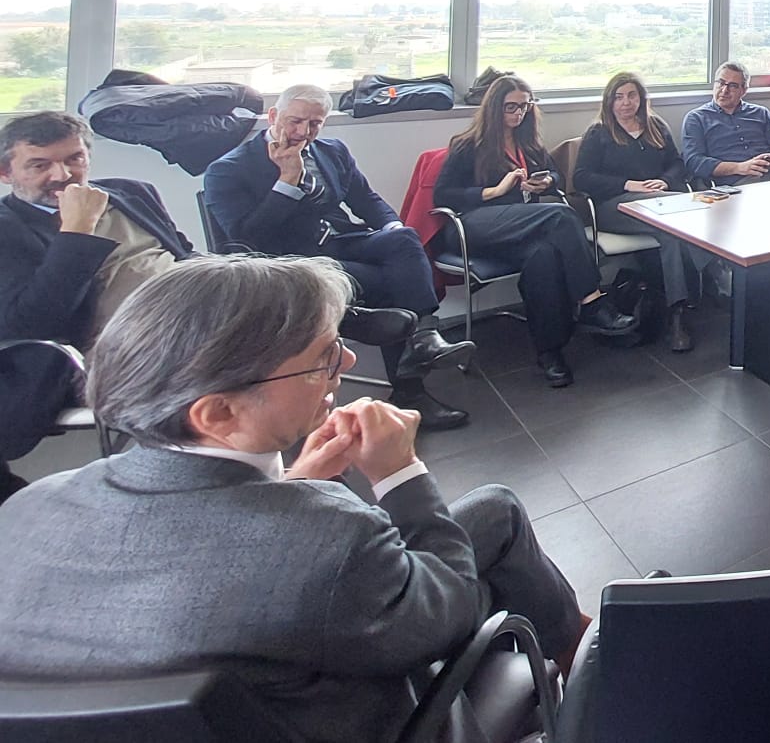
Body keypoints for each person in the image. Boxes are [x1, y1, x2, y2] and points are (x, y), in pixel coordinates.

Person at [0, 254, 583, 743]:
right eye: (322, 358)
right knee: (497, 510)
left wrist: (291, 489)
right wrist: (400, 473)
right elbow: (447, 610)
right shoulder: (329, 538)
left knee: (493, 514)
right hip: (381, 717)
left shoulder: (27, 511)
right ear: (218, 412)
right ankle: (586, 661)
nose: (346, 363)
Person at [0, 111, 429, 464]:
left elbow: (184, 254)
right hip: (126, 341)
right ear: (6, 173)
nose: (62, 175)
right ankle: (332, 338)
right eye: (39, 165)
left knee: (283, 276)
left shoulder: (129, 193)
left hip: (191, 302)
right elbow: (32, 322)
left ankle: (323, 342)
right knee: (269, 354)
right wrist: (76, 233)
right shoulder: (8, 227)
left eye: (74, 159)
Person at [204, 85, 473, 429]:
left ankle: (423, 335)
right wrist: (287, 181)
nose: (304, 132)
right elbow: (248, 238)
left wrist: (391, 226)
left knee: (404, 237)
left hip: (340, 241)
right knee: (393, 286)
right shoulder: (228, 169)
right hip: (291, 262)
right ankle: (411, 386)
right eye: (295, 121)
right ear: (273, 116)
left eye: (315, 123)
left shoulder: (332, 151)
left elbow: (366, 199)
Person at [435, 77, 633, 390]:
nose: (519, 113)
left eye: (525, 106)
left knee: (545, 257)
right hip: (474, 225)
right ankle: (592, 301)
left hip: (519, 227)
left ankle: (550, 353)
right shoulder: (468, 144)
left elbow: (555, 174)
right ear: (494, 107)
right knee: (560, 215)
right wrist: (494, 191)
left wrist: (547, 182)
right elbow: (444, 195)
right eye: (511, 107)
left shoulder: (528, 143)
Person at [572, 71, 697, 354]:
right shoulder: (599, 132)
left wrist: (664, 181)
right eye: (618, 97)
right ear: (609, 101)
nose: (626, 103)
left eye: (631, 96)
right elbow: (581, 178)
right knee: (678, 217)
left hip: (658, 204)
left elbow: (677, 164)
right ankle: (701, 284)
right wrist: (628, 185)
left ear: (641, 99)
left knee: (672, 234)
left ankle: (677, 313)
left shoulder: (655, 126)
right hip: (614, 207)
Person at [680, 63, 770, 187]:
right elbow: (694, 162)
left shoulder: (761, 113)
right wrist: (739, 167)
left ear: (744, 90)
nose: (724, 90)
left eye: (733, 86)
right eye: (721, 83)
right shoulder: (696, 118)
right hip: (733, 183)